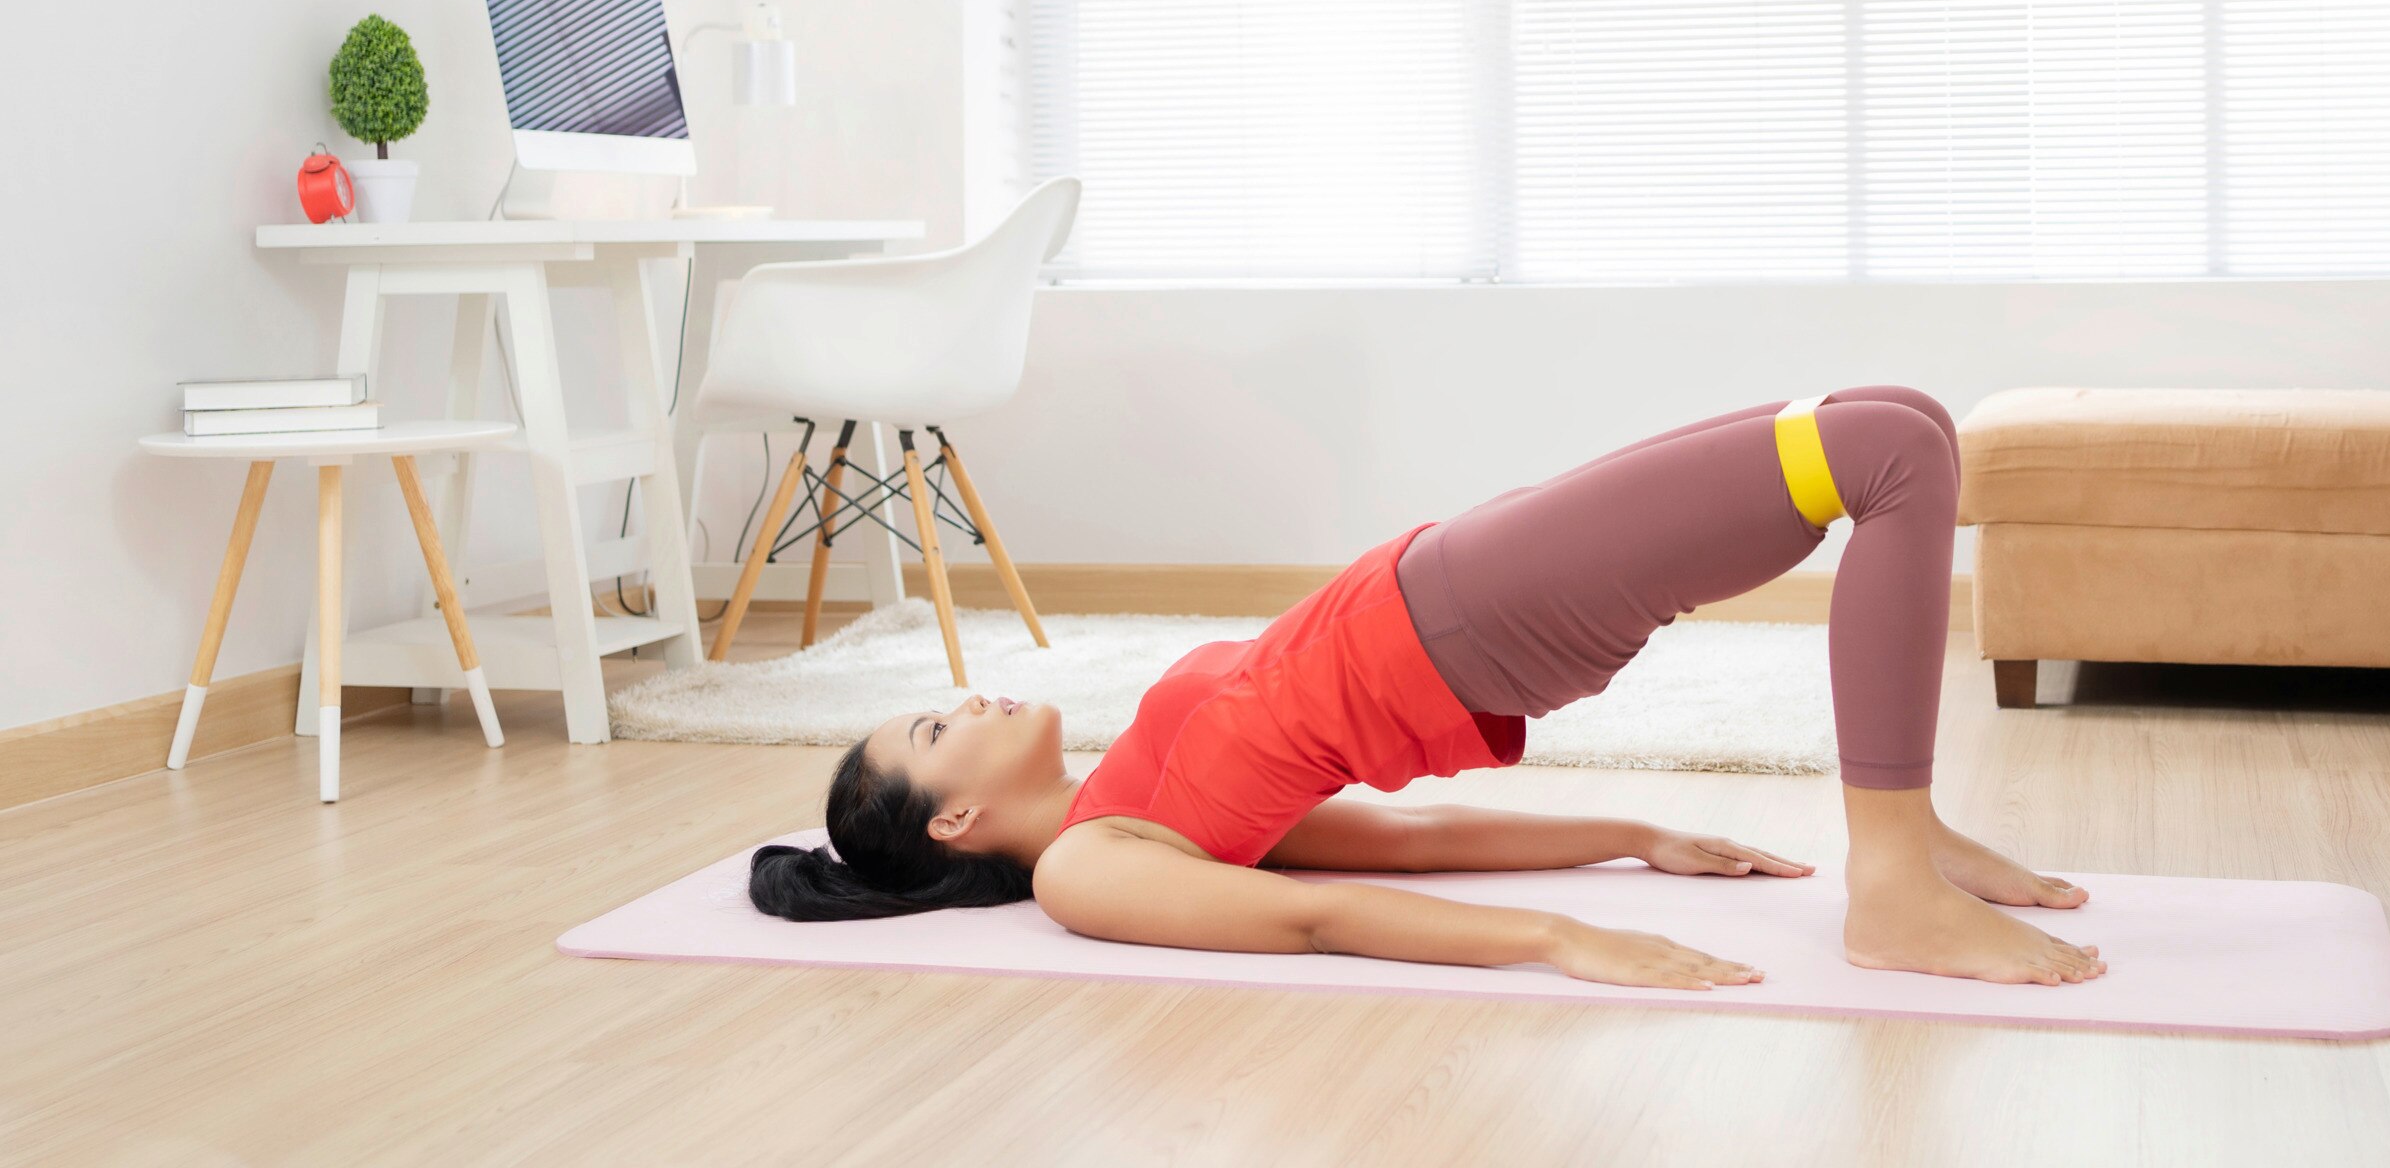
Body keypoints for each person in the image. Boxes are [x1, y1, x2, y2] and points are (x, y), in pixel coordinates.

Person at [749, 388, 2103, 990]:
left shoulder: (1132, 804)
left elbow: (1405, 839)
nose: (969, 696)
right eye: (936, 730)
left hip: (1451, 585)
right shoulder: (1087, 869)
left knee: (1900, 420)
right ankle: (1892, 882)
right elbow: (1318, 922)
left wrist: (1629, 837)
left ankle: (1911, 841)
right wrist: (1561, 943)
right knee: (1882, 458)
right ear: (951, 826)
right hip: (1466, 619)